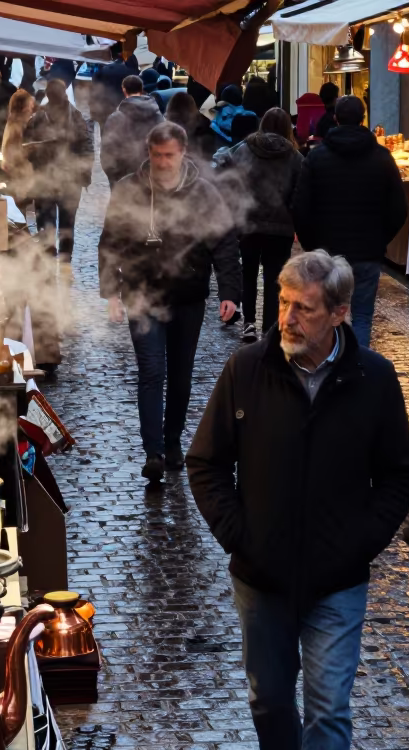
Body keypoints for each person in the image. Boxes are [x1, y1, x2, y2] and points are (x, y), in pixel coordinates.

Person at [187, 249, 409, 750]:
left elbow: (399, 475)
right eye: (284, 304)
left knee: (330, 707)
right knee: (268, 696)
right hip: (260, 576)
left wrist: (359, 542)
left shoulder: (374, 380)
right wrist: (241, 535)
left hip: (337, 581)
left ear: (340, 314)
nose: (287, 318)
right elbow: (206, 462)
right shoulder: (246, 369)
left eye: (303, 309)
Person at [99, 122, 241, 482]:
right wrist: (111, 294)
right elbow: (110, 242)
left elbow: (223, 241)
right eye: (157, 155)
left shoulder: (203, 193)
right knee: (151, 372)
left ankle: (173, 441)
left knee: (180, 376)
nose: (163, 162)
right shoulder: (128, 189)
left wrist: (229, 292)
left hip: (188, 294)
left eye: (170, 155)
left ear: (182, 153)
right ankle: (154, 453)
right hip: (142, 293)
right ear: (148, 153)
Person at [292, 95, 406, 349]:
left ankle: (329, 368)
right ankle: (358, 372)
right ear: (363, 118)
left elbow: (300, 208)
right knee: (363, 317)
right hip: (367, 251)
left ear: (335, 118)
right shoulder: (381, 157)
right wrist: (379, 239)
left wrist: (313, 246)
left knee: (327, 315)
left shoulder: (317, 157)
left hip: (328, 253)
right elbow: (399, 208)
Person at [213, 107, 303, 341]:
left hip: (248, 222)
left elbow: (228, 176)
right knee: (275, 278)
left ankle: (249, 323)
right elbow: (299, 193)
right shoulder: (294, 156)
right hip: (281, 227)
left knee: (248, 273)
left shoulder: (245, 149)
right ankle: (270, 328)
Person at [25, 79, 93, 259]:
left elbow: (28, 146)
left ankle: (49, 250)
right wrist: (85, 173)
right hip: (69, 177)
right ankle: (65, 254)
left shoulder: (39, 116)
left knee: (46, 216)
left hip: (46, 175)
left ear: (47, 95)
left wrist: (34, 159)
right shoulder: (76, 115)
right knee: (67, 219)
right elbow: (86, 146)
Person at [100, 75, 163, 187]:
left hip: (124, 179)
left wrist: (114, 179)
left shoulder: (115, 118)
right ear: (141, 89)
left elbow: (107, 152)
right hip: (153, 178)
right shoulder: (159, 117)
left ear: (124, 90)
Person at [0, 90, 37, 211]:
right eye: (30, 105)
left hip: (20, 172)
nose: (32, 108)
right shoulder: (16, 126)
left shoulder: (17, 123)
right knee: (20, 207)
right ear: (24, 107)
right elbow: (11, 151)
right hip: (19, 173)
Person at [90, 43, 139, 129]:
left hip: (104, 108)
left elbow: (94, 88)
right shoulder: (131, 71)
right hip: (124, 110)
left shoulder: (105, 70)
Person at [165, 91, 216, 164]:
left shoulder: (205, 135)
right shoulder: (205, 128)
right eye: (175, 120)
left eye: (182, 121)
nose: (179, 127)